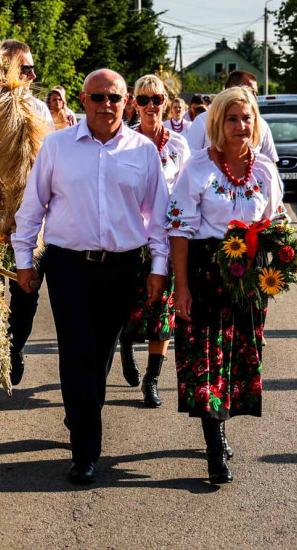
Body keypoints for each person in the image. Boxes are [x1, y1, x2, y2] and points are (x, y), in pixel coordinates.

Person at [13, 68, 169, 484]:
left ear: (127, 103)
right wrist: (24, 260)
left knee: (98, 356)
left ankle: (81, 411)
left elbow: (158, 218)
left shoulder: (143, 151)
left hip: (122, 268)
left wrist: (157, 268)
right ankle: (86, 448)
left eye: (114, 98)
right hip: (68, 267)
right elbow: (32, 208)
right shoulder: (57, 146)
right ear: (83, 100)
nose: (106, 105)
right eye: (98, 97)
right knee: (77, 352)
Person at [168, 87, 287, 486]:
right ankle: (215, 444)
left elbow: (275, 223)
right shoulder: (198, 168)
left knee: (236, 360)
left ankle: (221, 427)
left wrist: (281, 258)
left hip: (249, 279)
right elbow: (180, 231)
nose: (240, 126)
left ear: (256, 123)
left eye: (247, 118)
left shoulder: (267, 171)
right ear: (218, 123)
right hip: (206, 275)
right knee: (207, 361)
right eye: (232, 119)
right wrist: (180, 287)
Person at [0, 39, 53, 410]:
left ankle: (13, 346)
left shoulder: (38, 110)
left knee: (26, 297)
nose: (33, 75)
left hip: (28, 212)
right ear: (5, 69)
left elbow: (50, 162)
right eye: (26, 68)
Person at [118, 74, 191, 407]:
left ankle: (152, 380)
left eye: (157, 99)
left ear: (166, 102)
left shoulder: (179, 145)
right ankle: (126, 347)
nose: (151, 106)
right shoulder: (124, 142)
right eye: (143, 100)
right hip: (131, 239)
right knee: (129, 310)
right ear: (134, 103)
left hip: (167, 239)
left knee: (162, 312)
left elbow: (189, 193)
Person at [184, 72, 279, 163]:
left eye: (255, 93)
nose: (255, 97)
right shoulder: (203, 121)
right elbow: (189, 158)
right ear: (231, 90)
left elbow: (271, 162)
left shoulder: (261, 124)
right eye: (251, 91)